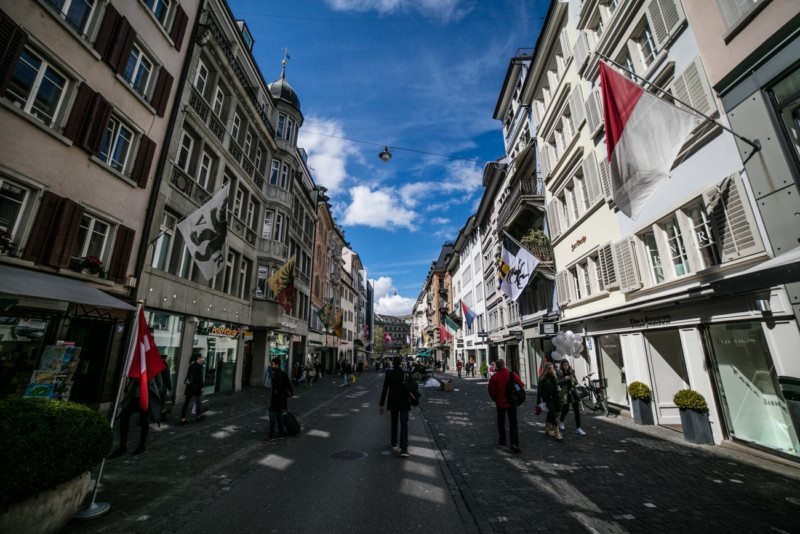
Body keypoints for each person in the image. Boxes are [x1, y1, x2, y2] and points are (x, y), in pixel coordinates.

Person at [109, 373, 163, 457]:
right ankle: (123, 446)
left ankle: (142, 445)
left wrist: (152, 393)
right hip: (134, 398)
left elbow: (160, 384)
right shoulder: (138, 365)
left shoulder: (152, 367)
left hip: (146, 398)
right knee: (124, 417)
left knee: (143, 420)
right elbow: (131, 380)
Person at [487, 359, 524, 453]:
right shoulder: (512, 374)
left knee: (501, 422)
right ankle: (514, 443)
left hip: (500, 403)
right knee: (513, 423)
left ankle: (502, 440)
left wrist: (496, 398)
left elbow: (491, 391)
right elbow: (521, 384)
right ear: (504, 365)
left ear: (497, 366)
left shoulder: (495, 377)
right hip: (511, 402)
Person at [379, 356, 411, 457]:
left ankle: (393, 442)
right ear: (401, 363)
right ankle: (404, 449)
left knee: (394, 422)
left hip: (393, 401)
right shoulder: (405, 373)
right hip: (404, 401)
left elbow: (385, 388)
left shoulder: (389, 373)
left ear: (393, 363)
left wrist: (381, 404)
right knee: (404, 424)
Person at [264, 357, 293, 442]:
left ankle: (272, 435)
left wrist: (279, 391)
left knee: (273, 417)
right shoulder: (274, 373)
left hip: (279, 400)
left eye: (272, 364)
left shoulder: (282, 374)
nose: (271, 365)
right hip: (276, 400)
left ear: (277, 364)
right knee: (278, 417)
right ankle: (281, 434)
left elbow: (287, 386)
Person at [557, 359, 586, 436]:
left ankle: (578, 428)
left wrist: (573, 379)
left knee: (577, 410)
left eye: (567, 365)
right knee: (565, 409)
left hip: (573, 393)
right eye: (564, 365)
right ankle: (561, 420)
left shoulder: (572, 371)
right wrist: (564, 379)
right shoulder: (559, 372)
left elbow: (576, 382)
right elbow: (557, 382)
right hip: (565, 393)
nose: (566, 366)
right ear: (562, 366)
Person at [536, 362, 563, 441]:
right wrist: (538, 403)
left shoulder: (553, 376)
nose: (552, 370)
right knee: (552, 413)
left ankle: (547, 428)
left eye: (552, 368)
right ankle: (557, 432)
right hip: (547, 399)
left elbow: (556, 385)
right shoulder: (542, 378)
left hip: (555, 398)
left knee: (551, 413)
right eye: (550, 368)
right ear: (547, 370)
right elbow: (539, 391)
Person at [180, 353, 205, 425]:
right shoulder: (200, 366)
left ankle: (183, 419)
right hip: (196, 387)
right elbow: (200, 378)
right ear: (198, 358)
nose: (201, 359)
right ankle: (198, 417)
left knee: (186, 403)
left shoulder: (191, 365)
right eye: (201, 357)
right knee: (198, 402)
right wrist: (201, 387)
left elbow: (188, 376)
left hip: (189, 387)